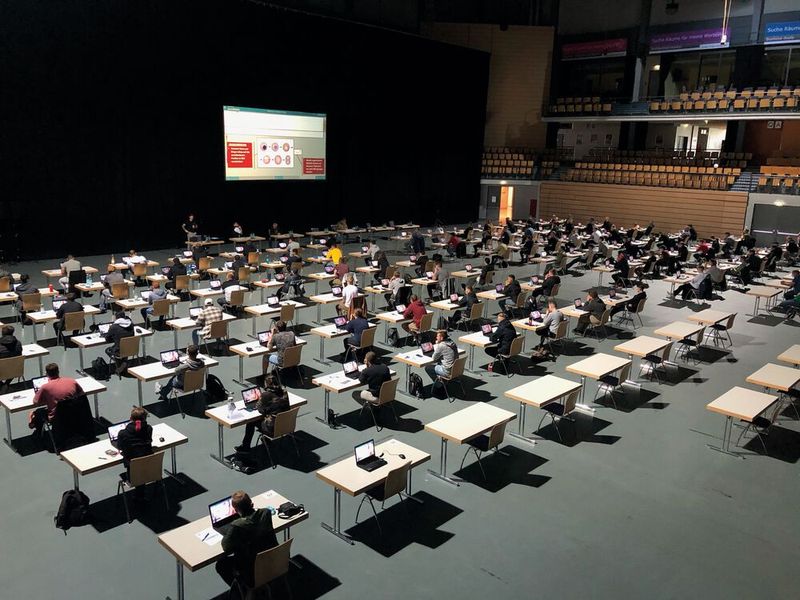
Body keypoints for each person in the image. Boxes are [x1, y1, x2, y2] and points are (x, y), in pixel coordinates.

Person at [215, 491, 279, 588]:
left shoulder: (237, 525)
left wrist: (229, 532)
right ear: (251, 503)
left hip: (252, 570)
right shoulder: (266, 513)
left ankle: (244, 589)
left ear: (236, 510)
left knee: (221, 565)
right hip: (272, 560)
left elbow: (226, 547)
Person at [235, 375, 290, 453]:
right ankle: (265, 439)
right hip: (286, 424)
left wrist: (261, 401)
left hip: (273, 429)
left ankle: (245, 446)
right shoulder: (284, 392)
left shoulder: (266, 395)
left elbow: (260, 409)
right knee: (269, 416)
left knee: (251, 422)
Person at [30, 363, 84, 438]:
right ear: (58, 372)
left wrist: (48, 399)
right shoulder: (72, 381)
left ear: (47, 374)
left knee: (36, 413)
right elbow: (81, 394)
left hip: (56, 418)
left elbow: (35, 402)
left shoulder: (45, 387)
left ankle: (39, 435)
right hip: (74, 413)